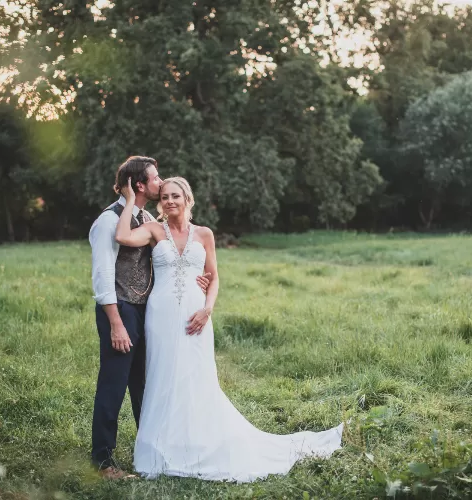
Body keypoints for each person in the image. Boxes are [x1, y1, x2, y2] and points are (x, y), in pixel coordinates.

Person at [115, 176, 343, 482]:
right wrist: (130, 199)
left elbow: (214, 277)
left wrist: (207, 309)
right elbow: (122, 237)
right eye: (165, 196)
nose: (169, 201)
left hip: (197, 313)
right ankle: (163, 447)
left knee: (196, 376)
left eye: (175, 196)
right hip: (161, 314)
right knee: (162, 373)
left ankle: (198, 441)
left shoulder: (204, 234)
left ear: (187, 199)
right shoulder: (154, 230)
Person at [88, 157, 209, 479]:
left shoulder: (147, 218)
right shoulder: (108, 221)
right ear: (139, 185)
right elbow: (102, 276)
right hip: (120, 311)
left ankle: (155, 450)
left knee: (145, 385)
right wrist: (115, 322)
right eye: (156, 179)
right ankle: (102, 462)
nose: (161, 182)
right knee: (113, 385)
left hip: (148, 313)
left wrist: (196, 279)